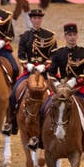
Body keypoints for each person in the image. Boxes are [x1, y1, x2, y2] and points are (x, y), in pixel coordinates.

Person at [44, 23, 84, 157]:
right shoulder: (57, 53)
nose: (72, 38)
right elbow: (50, 72)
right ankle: (40, 139)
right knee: (44, 108)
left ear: (77, 36)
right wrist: (57, 84)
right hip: (61, 88)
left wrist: (75, 81)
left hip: (79, 89)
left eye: (74, 35)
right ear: (65, 36)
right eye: (69, 35)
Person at [9, 8, 57, 138]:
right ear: (30, 20)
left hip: (45, 72)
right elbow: (21, 55)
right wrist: (27, 64)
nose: (36, 20)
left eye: (39, 18)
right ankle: (12, 123)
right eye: (34, 18)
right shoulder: (25, 37)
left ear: (41, 19)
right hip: (29, 72)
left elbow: (53, 56)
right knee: (13, 93)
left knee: (58, 94)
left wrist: (45, 66)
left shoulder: (50, 36)